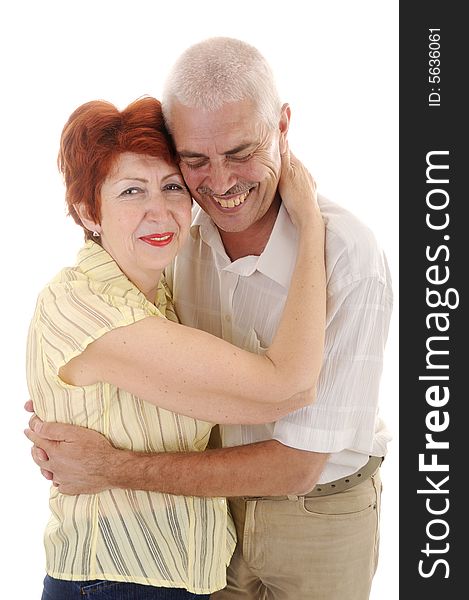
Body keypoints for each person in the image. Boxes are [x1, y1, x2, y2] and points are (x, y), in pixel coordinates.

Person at [26, 37, 393, 600]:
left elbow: (296, 463)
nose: (219, 183)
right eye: (194, 162)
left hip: (316, 514)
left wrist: (108, 461)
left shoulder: (346, 255)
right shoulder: (175, 244)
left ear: (283, 126)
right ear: (86, 210)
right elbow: (247, 381)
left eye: (241, 153)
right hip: (189, 534)